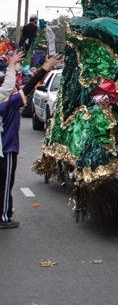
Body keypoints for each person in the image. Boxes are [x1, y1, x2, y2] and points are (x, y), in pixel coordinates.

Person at [1, 53, 63, 229]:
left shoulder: (6, 101)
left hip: (4, 147)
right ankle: (4, 217)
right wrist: (44, 69)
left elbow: (10, 87)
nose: (15, 88)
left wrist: (12, 67)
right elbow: (27, 87)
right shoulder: (9, 103)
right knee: (6, 184)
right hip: (6, 148)